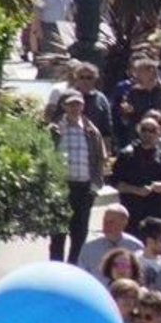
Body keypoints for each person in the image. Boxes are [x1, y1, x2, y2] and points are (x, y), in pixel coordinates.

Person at [51, 91, 107, 262]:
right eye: (71, 104)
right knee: (57, 234)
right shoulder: (54, 130)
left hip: (84, 188)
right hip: (61, 188)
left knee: (79, 234)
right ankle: (56, 269)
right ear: (63, 106)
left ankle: (74, 268)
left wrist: (95, 187)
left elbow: (100, 158)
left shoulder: (91, 131)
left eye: (78, 104)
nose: (75, 108)